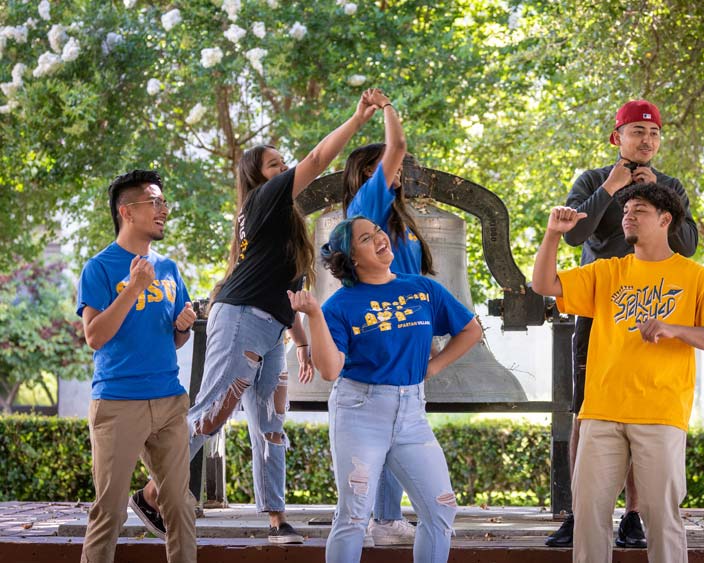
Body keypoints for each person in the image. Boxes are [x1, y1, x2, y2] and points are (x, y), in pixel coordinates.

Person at [135, 91, 381, 544]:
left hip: (270, 327)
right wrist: (357, 119)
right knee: (211, 412)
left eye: (282, 164)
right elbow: (317, 157)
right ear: (258, 176)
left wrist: (302, 340)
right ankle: (153, 494)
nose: (284, 169)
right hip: (242, 319)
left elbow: (282, 287)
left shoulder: (276, 222)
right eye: (275, 164)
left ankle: (275, 517)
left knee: (270, 424)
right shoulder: (265, 199)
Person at [532, 182, 704, 563]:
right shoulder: (606, 272)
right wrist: (551, 236)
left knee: (663, 519)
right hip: (601, 413)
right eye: (626, 210)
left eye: (638, 210)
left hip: (660, 415)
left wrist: (676, 329)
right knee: (589, 518)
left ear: (665, 220)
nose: (627, 215)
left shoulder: (695, 277)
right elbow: (544, 284)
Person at [545, 99, 699, 549]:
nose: (646, 140)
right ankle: (580, 511)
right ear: (617, 138)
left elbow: (687, 245)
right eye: (636, 132)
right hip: (598, 306)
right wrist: (612, 188)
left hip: (653, 310)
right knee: (587, 410)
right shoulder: (593, 180)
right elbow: (574, 235)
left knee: (642, 415)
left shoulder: (669, 185)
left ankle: (632, 516)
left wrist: (658, 196)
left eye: (653, 134)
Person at [289, 215, 482, 563]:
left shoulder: (422, 289)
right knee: (353, 516)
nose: (380, 238)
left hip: (412, 415)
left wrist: (433, 367)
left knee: (441, 509)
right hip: (360, 413)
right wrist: (314, 317)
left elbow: (471, 329)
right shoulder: (338, 306)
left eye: (378, 231)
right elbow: (331, 369)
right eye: (366, 238)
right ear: (352, 259)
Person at [77, 170, 196, 563]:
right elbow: (94, 336)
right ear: (127, 211)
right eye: (155, 202)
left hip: (168, 402)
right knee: (108, 513)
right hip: (118, 403)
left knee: (180, 507)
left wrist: (183, 327)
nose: (164, 210)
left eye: (164, 202)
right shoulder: (100, 267)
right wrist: (134, 289)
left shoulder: (170, 268)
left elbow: (174, 336)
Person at [340, 89, 436, 546]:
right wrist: (387, 106)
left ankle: (384, 516)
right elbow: (396, 148)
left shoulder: (395, 219)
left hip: (409, 328)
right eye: (389, 167)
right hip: (385, 328)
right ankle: (381, 518)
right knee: (388, 423)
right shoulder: (366, 207)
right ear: (369, 172)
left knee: (402, 421)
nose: (401, 170)